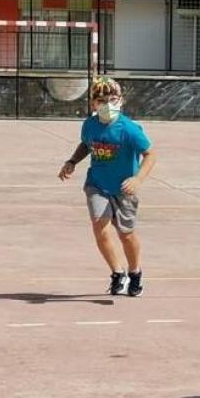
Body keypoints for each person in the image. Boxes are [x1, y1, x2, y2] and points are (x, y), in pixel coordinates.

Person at [59, 77, 156, 297]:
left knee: (126, 234)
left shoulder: (129, 129)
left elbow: (150, 154)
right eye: (101, 101)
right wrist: (72, 161)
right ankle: (117, 272)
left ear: (120, 101)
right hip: (97, 185)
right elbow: (86, 144)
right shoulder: (90, 125)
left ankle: (135, 272)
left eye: (112, 100)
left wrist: (138, 179)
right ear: (93, 104)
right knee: (99, 226)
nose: (107, 105)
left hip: (123, 189)